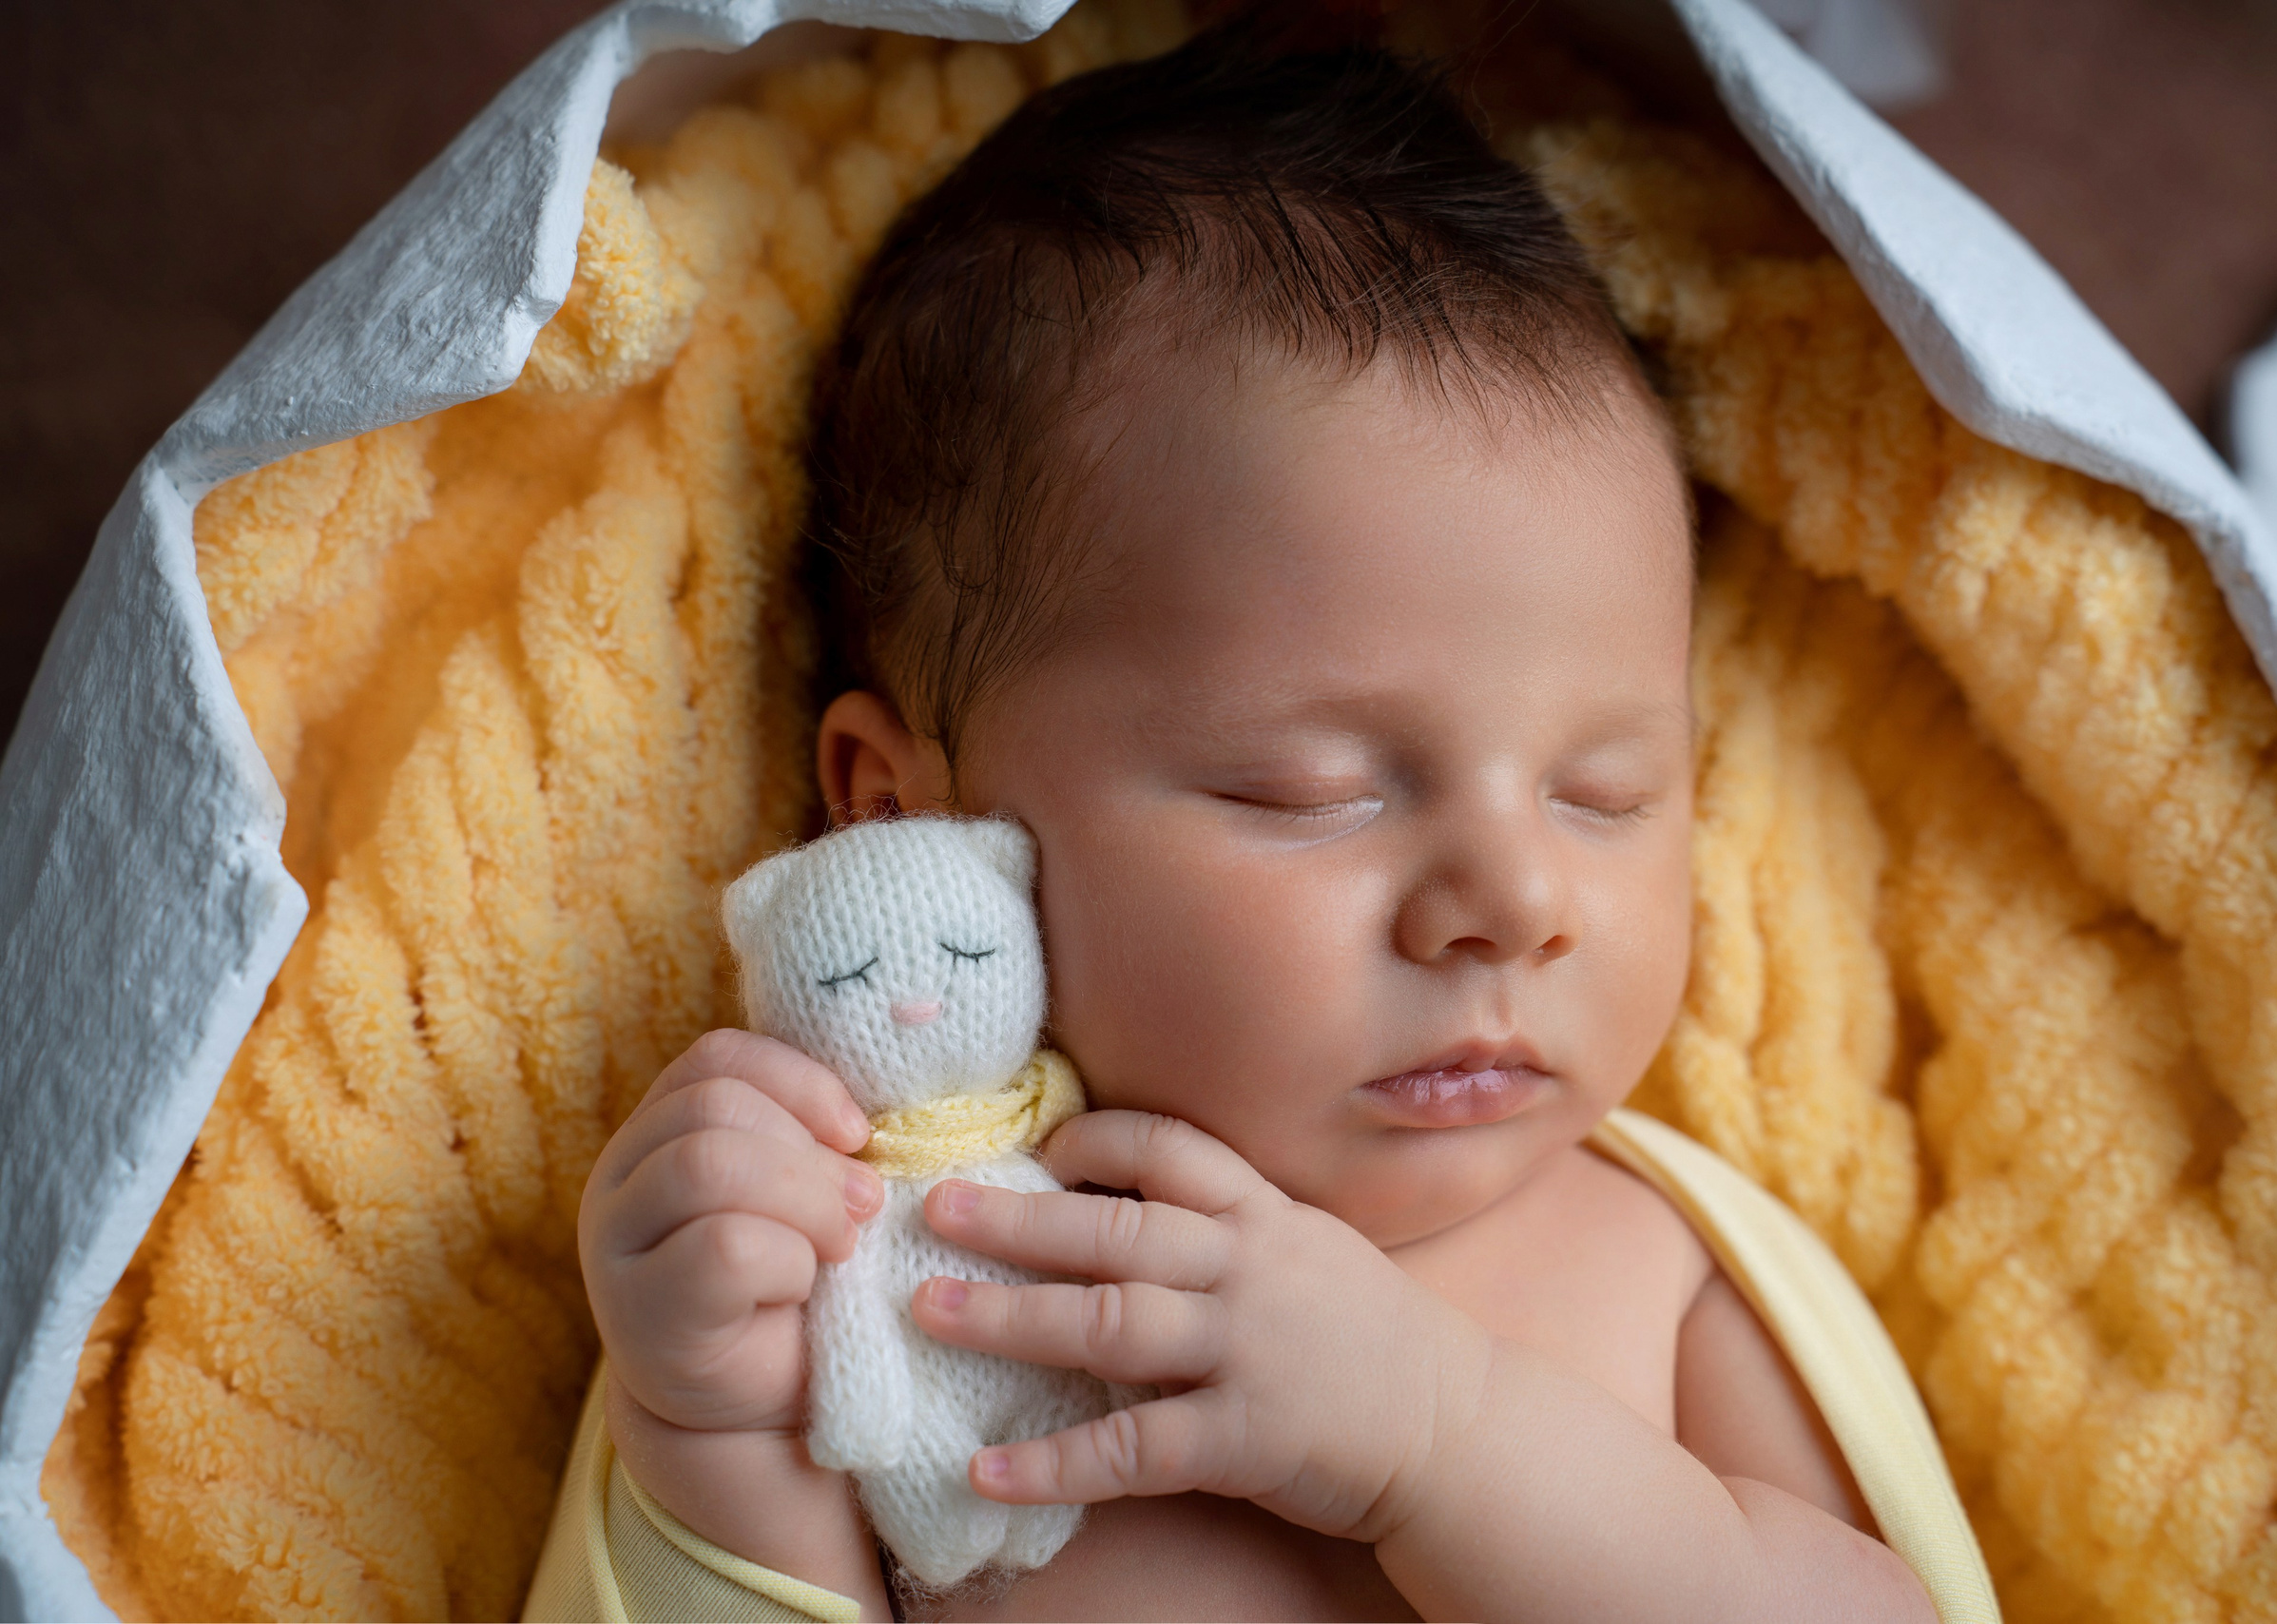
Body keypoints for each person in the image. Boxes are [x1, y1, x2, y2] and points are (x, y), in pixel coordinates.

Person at [560, 17, 1945, 1621]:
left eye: (1605, 791)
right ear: (902, 809)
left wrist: (1439, 1437)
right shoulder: (899, 1300)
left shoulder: (1651, 1271)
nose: (1512, 894)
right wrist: (714, 1434)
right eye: (1316, 791)